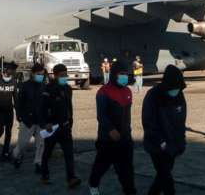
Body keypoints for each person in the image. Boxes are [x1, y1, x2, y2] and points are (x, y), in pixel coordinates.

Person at [88, 61, 136, 195]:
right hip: (108, 139)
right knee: (101, 165)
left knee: (126, 170)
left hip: (125, 138)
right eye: (121, 74)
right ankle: (93, 184)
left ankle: (130, 191)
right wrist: (110, 129)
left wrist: (128, 132)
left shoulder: (128, 91)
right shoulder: (103, 92)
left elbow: (127, 116)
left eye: (126, 74)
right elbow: (101, 116)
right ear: (114, 75)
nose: (124, 77)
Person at [142, 65, 187, 195]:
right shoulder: (153, 95)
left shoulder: (179, 95)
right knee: (166, 178)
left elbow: (181, 121)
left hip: (173, 145)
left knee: (162, 177)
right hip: (156, 145)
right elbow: (148, 122)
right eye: (174, 87)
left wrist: (181, 141)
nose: (176, 90)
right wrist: (161, 142)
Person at [40, 64, 81, 188]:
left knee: (69, 153)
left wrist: (70, 122)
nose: (65, 77)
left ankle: (71, 178)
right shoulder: (48, 89)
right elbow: (42, 108)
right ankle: (44, 175)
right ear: (56, 75)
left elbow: (69, 107)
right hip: (52, 128)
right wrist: (45, 123)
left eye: (66, 75)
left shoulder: (68, 88)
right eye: (62, 75)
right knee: (47, 153)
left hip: (65, 127)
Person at [12, 63, 46, 172]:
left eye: (42, 74)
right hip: (27, 121)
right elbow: (18, 103)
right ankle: (17, 157)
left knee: (41, 144)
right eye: (38, 74)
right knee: (22, 145)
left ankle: (38, 163)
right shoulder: (24, 86)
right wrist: (20, 116)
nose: (40, 76)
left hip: (41, 121)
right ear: (32, 73)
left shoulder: (44, 86)